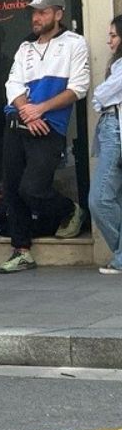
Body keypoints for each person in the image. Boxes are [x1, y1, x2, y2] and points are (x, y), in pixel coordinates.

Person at [0, 0, 91, 273]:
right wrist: (28, 109)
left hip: (49, 127)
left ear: (58, 14)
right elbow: (12, 85)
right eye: (34, 13)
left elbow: (79, 86)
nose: (36, 18)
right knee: (12, 190)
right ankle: (22, 250)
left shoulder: (74, 43)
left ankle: (69, 210)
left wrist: (42, 109)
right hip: (17, 123)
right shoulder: (25, 47)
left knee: (33, 188)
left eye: (43, 12)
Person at [89, 15, 122, 275]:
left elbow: (101, 95)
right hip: (109, 126)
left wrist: (101, 96)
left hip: (115, 128)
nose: (108, 41)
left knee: (99, 199)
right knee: (112, 197)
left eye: (113, 35)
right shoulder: (116, 64)